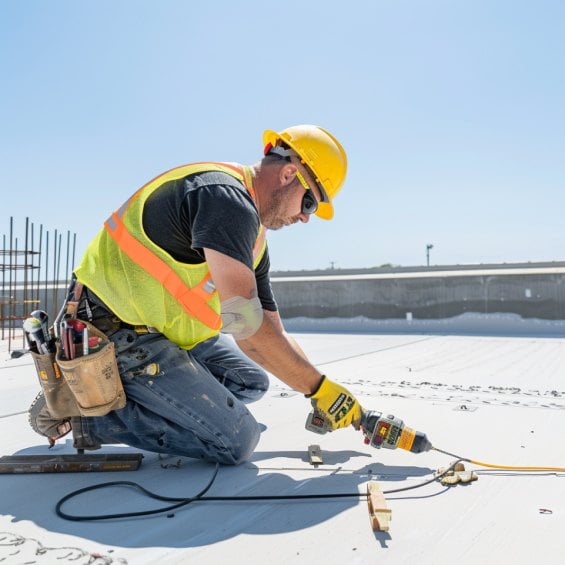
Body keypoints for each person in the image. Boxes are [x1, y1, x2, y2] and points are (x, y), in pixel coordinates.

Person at [29, 125, 362, 464]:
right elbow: (247, 329)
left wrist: (321, 390)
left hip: (161, 333)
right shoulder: (224, 198)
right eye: (309, 201)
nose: (306, 217)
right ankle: (85, 416)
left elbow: (272, 330)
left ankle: (148, 399)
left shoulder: (254, 238)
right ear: (289, 173)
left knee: (251, 382)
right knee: (237, 442)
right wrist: (316, 387)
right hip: (112, 329)